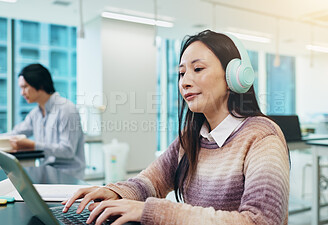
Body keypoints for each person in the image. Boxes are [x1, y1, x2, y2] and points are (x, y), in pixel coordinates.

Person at [62, 30, 290, 225]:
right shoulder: (190, 138)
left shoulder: (262, 137)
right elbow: (150, 182)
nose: (185, 82)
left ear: (234, 76)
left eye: (198, 69)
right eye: (181, 73)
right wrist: (115, 192)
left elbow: (260, 220)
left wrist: (153, 211)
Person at [0, 64, 86, 178]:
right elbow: (15, 133)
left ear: (40, 85)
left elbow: (67, 150)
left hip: (69, 175)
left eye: (25, 87)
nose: (22, 93)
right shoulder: (36, 113)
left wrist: (33, 145)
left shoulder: (66, 109)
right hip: (47, 171)